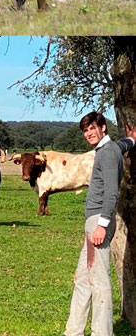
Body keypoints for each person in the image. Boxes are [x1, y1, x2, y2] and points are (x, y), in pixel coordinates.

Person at [64, 111, 135, 336]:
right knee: (83, 279)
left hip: (98, 222)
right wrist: (132, 140)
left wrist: (102, 225)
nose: (89, 134)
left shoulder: (107, 154)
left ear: (103, 127)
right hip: (94, 222)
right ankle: (73, 332)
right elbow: (122, 146)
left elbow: (111, 193)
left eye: (93, 128)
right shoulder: (112, 148)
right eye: (86, 130)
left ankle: (102, 333)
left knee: (99, 280)